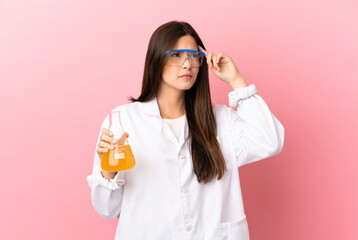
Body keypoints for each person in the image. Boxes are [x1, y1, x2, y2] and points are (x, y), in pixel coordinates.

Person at [87, 20, 285, 240]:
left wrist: (237, 81)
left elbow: (271, 141)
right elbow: (106, 209)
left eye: (193, 56)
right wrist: (108, 170)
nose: (187, 64)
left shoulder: (221, 120)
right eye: (176, 55)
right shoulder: (123, 120)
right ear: (156, 60)